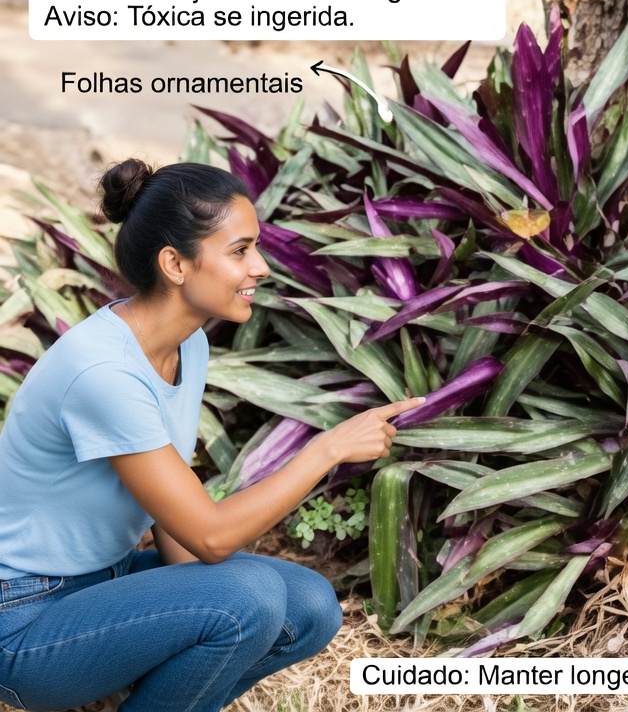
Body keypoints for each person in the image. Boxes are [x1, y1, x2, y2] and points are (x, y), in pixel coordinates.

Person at [0, 159, 422, 711]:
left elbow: (176, 520)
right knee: (250, 597)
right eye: (240, 250)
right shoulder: (103, 373)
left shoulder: (185, 344)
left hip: (105, 583)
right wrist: (328, 448)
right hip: (24, 620)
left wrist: (189, 618)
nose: (262, 268)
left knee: (309, 605)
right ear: (175, 263)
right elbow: (211, 536)